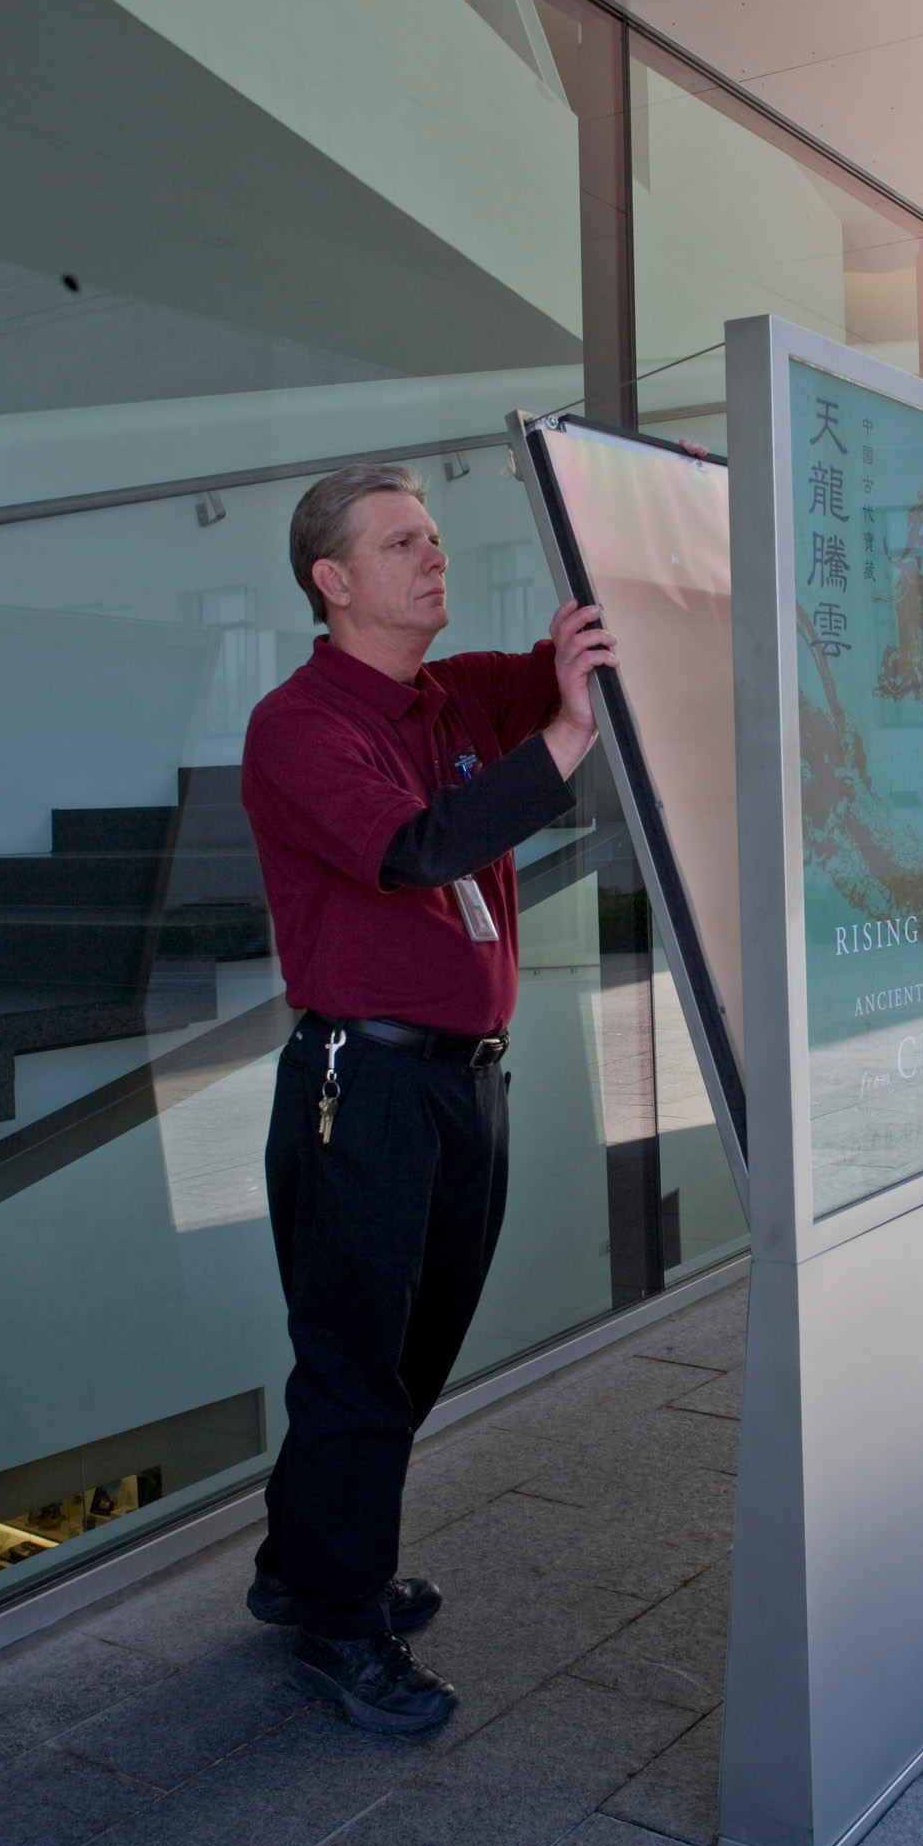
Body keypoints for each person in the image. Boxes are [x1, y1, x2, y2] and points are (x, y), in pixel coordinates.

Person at [240, 461, 616, 1732]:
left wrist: (595, 632)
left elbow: (573, 672)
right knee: (357, 1365)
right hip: (368, 1088)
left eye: (438, 539)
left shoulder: (453, 695)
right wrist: (562, 737)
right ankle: (340, 1629)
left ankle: (304, 1569)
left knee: (406, 1355)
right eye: (403, 544)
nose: (435, 558)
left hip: (463, 1084)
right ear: (332, 582)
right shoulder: (300, 727)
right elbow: (420, 847)